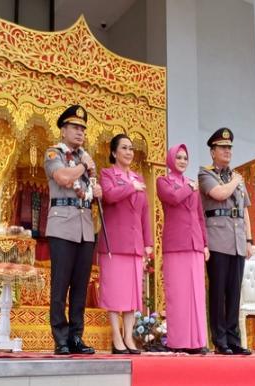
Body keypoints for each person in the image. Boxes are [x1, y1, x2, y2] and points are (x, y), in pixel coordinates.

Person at [44, 104, 102, 355]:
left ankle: (76, 336)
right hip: (61, 225)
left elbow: (92, 190)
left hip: (84, 228)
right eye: (75, 127)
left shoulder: (84, 159)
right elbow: (63, 178)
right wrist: (84, 166)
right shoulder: (53, 154)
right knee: (61, 285)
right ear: (63, 130)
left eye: (83, 128)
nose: (80, 132)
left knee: (80, 286)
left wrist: (97, 191)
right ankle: (60, 337)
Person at [198, 127, 253, 356]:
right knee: (218, 292)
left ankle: (234, 339)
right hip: (218, 239)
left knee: (234, 293)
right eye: (222, 147)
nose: (227, 151)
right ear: (213, 151)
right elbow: (219, 194)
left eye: (229, 147)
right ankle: (220, 340)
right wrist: (235, 181)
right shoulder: (206, 174)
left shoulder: (236, 177)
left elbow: (245, 211)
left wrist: (249, 239)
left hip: (238, 240)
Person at [97, 134, 153, 354]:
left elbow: (144, 212)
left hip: (135, 245)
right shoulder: (107, 174)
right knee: (114, 293)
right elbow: (109, 196)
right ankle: (116, 337)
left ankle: (129, 337)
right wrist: (131, 186)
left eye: (131, 148)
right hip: (114, 243)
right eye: (124, 148)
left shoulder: (138, 178)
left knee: (132, 295)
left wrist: (148, 242)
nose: (129, 152)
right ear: (114, 152)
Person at [156, 144, 210, 354]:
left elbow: (199, 216)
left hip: (194, 243)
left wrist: (205, 243)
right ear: (171, 160)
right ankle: (178, 342)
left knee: (196, 294)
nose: (182, 160)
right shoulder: (164, 181)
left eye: (185, 157)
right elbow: (173, 197)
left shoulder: (191, 184)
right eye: (178, 157)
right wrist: (191, 188)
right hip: (176, 244)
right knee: (178, 294)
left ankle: (198, 342)